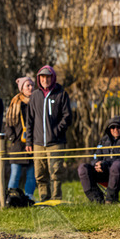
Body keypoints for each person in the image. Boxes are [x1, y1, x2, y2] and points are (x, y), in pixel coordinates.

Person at [25, 66, 72, 201]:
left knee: (55, 172)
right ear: (39, 78)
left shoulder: (61, 94)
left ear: (53, 78)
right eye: (42, 77)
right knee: (40, 174)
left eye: (47, 77)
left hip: (56, 142)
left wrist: (56, 131)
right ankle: (44, 199)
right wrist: (29, 141)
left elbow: (67, 117)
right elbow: (30, 120)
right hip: (38, 143)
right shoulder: (35, 96)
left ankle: (56, 199)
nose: (45, 79)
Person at [5, 76, 36, 200]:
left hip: (33, 143)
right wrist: (13, 138)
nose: (30, 88)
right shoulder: (15, 103)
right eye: (27, 85)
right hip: (18, 145)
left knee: (32, 174)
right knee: (15, 174)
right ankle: (11, 198)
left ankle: (29, 197)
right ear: (22, 88)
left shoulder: (37, 101)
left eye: (32, 85)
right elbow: (8, 124)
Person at [78, 117, 120, 204]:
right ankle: (97, 200)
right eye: (112, 127)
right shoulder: (104, 140)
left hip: (119, 173)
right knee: (83, 168)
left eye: (118, 127)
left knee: (116, 165)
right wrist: (97, 164)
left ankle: (110, 199)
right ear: (109, 129)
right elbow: (96, 156)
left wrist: (106, 164)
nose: (115, 129)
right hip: (104, 172)